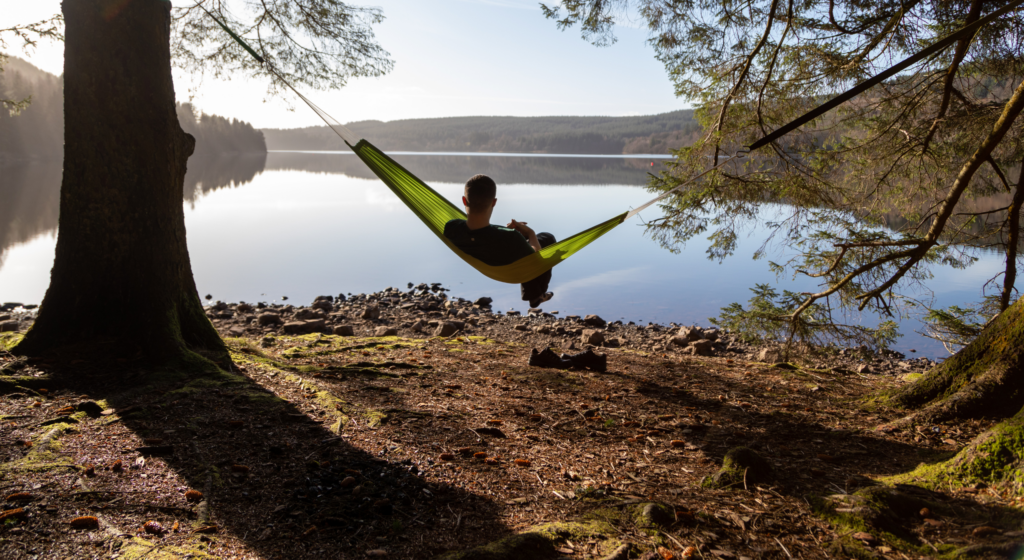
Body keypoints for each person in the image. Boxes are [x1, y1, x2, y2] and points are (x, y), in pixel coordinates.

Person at [443, 174, 555, 308]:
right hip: (508, 267)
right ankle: (537, 295)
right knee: (547, 238)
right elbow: (535, 257)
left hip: (487, 260)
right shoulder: (511, 238)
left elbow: (479, 235)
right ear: (494, 202)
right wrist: (529, 233)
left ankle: (536, 295)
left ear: (464, 200)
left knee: (521, 246)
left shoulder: (451, 227)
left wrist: (505, 230)